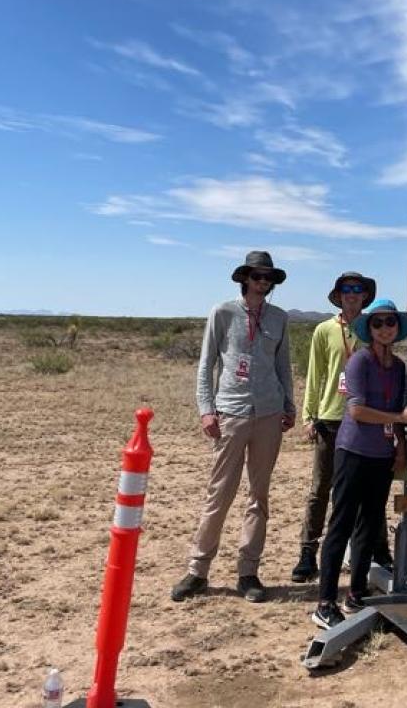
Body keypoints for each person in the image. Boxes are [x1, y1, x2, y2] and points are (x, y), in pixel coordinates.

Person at [171, 251, 297, 604]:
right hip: (230, 413)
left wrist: (289, 403)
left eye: (267, 277)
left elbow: (282, 365)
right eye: (256, 276)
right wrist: (206, 410)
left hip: (269, 414)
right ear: (245, 278)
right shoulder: (222, 313)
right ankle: (197, 570)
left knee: (258, 496)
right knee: (220, 493)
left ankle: (248, 572)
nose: (262, 282)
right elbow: (206, 364)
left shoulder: (279, 318)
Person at [312, 299, 407, 629]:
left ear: (397, 326)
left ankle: (356, 592)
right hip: (353, 452)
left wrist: (402, 446)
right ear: (369, 329)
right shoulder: (359, 362)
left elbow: (401, 412)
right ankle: (324, 601)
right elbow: (356, 411)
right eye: (377, 323)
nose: (384, 328)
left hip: (381, 455)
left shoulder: (399, 368)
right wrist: (398, 418)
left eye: (390, 322)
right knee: (342, 524)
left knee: (368, 523)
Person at [292, 272, 393, 583]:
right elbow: (315, 374)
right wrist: (310, 416)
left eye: (358, 289)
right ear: (338, 295)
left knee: (369, 489)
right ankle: (308, 551)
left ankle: (378, 550)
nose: (351, 294)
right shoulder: (324, 330)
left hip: (366, 418)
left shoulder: (374, 327)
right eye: (346, 289)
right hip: (331, 418)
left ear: (365, 296)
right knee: (321, 487)